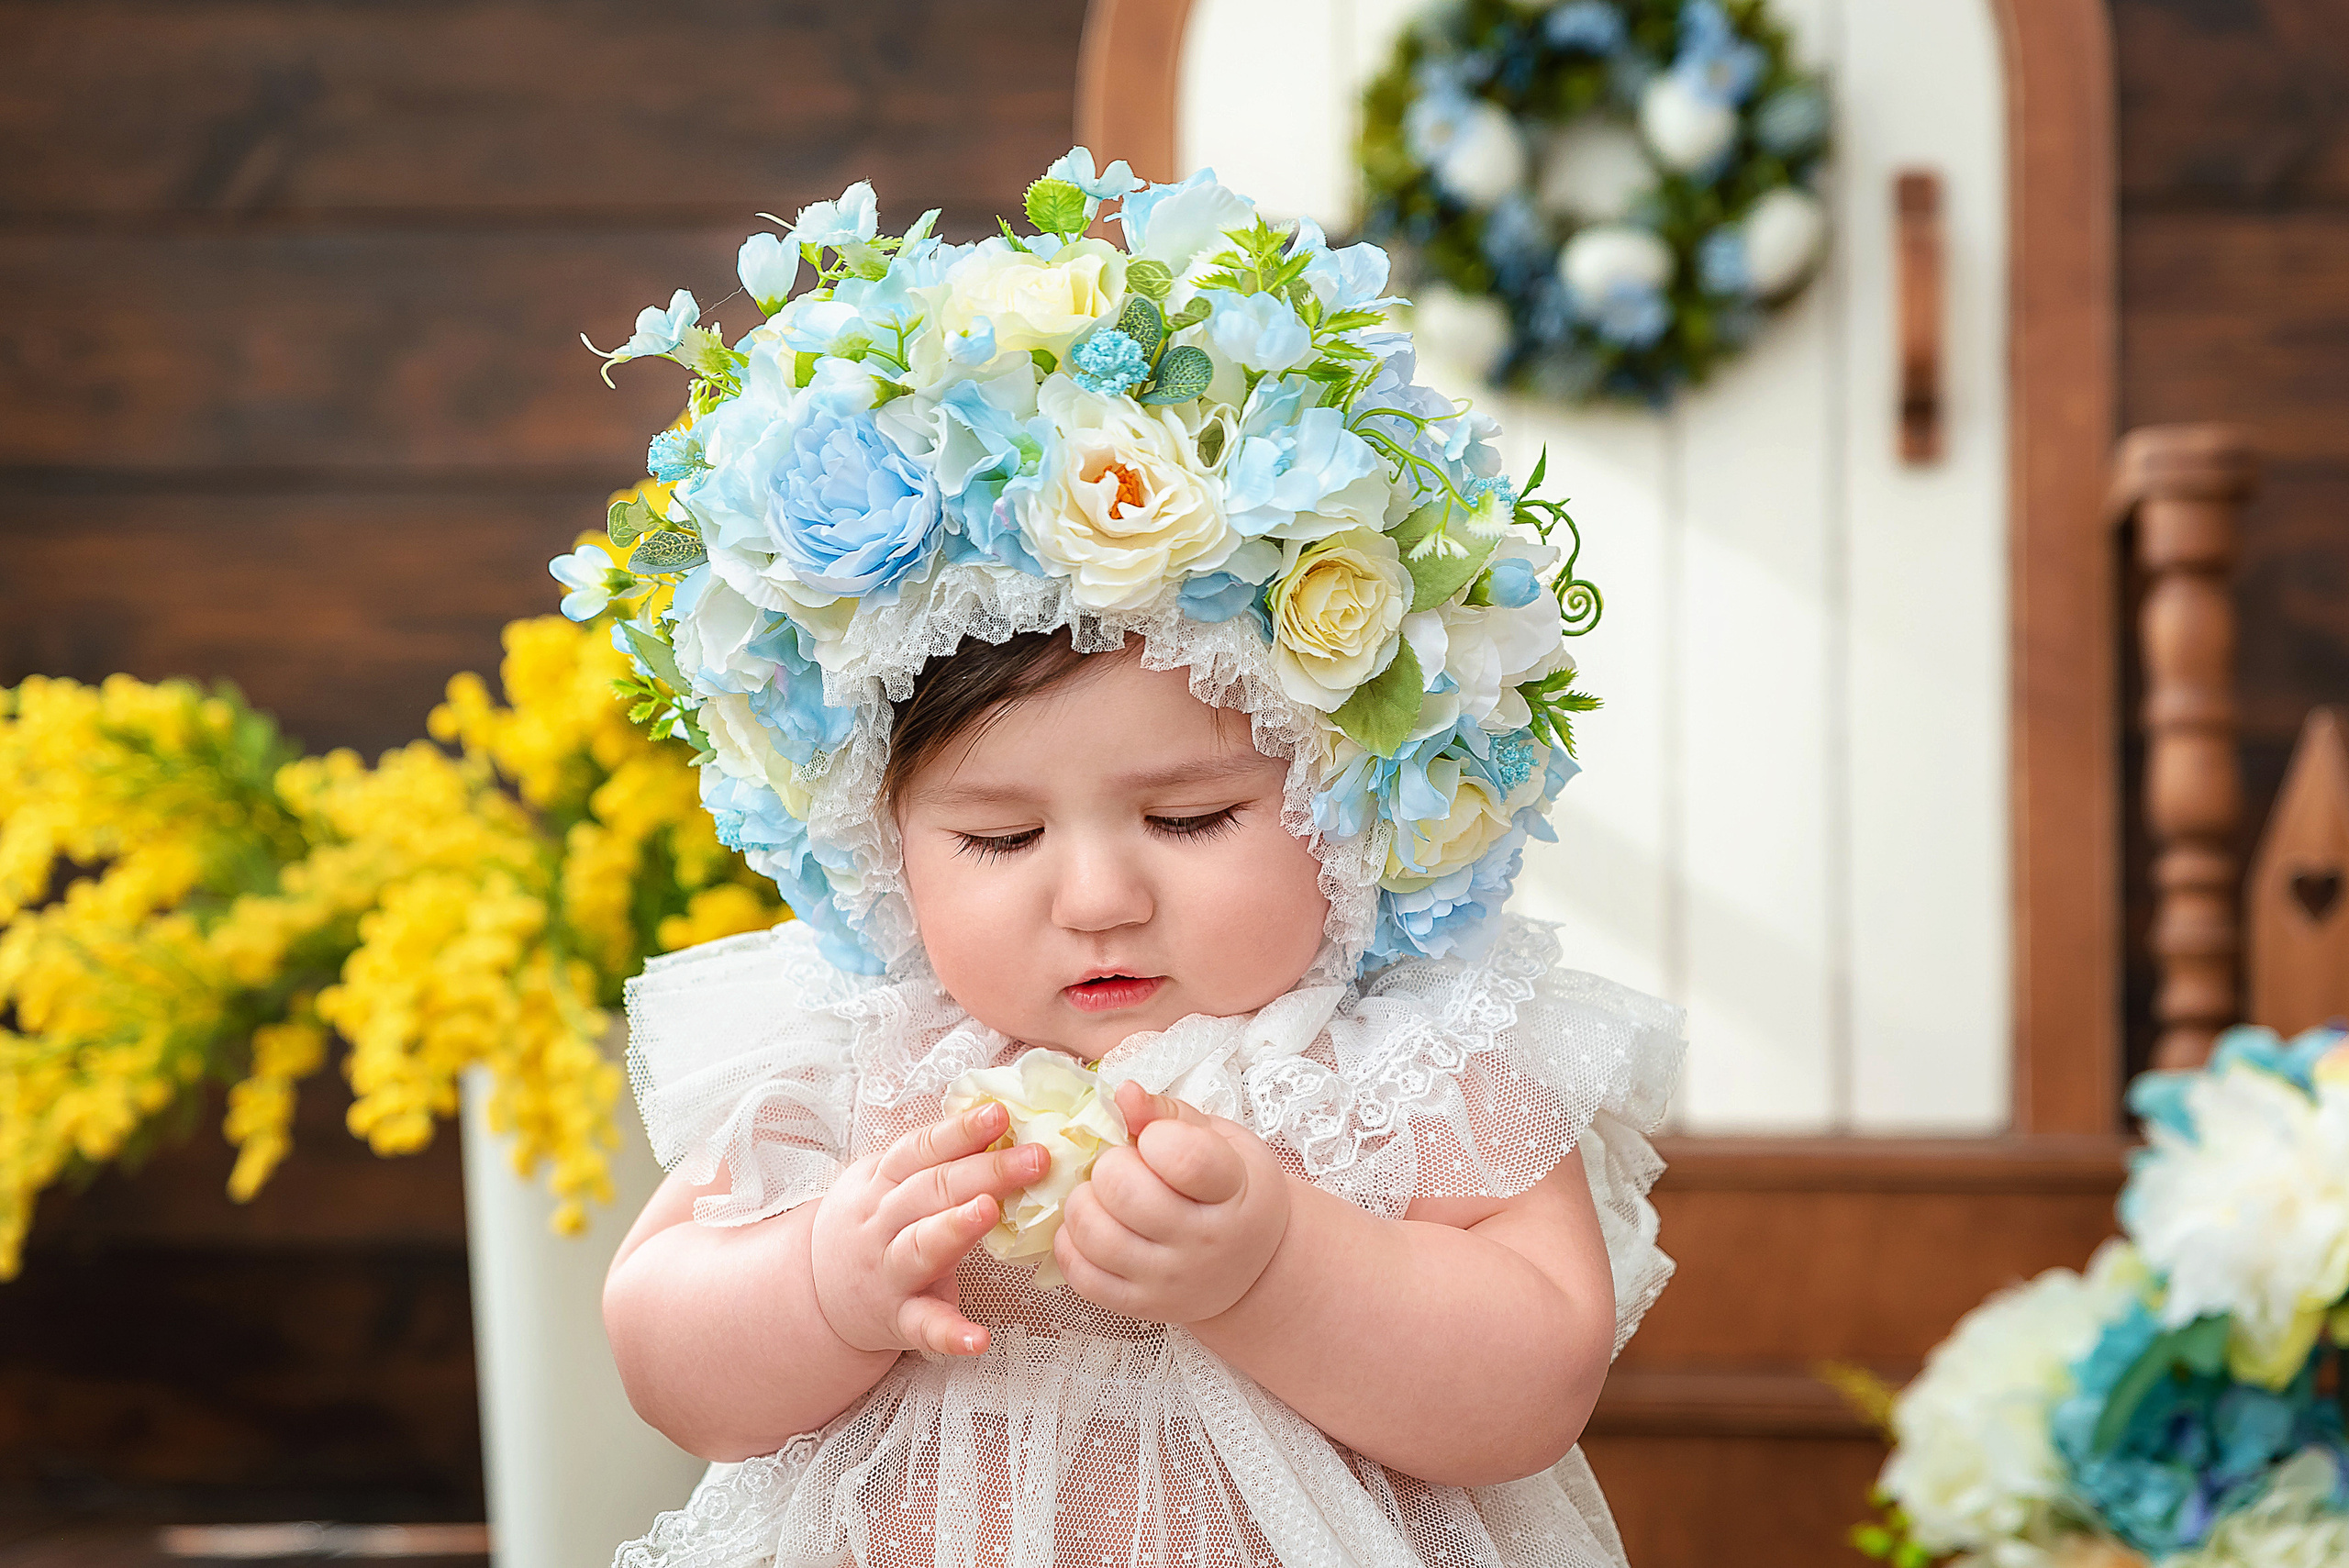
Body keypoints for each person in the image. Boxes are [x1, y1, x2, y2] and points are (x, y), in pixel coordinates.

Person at [574, 154, 1685, 1568]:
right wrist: (822, 1282)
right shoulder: (867, 1057)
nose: (1099, 897)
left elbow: (1536, 1379)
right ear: (876, 837)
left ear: (1347, 792)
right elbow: (664, 1351)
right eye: (1000, 836)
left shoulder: (1405, 1061)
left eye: (1187, 818)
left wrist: (1277, 1266)